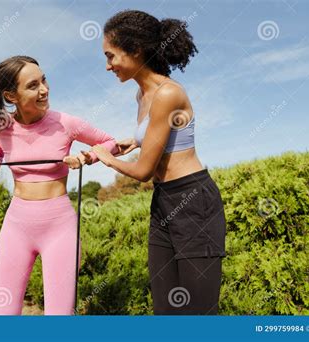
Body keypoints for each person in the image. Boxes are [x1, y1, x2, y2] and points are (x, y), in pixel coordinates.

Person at [91, 10, 227, 315]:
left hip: (194, 201)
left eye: (111, 56)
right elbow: (163, 135)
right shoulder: (142, 95)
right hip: (164, 201)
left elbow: (142, 171)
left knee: (199, 312)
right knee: (166, 309)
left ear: (135, 50)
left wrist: (106, 158)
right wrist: (136, 140)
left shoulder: (168, 93)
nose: (107, 65)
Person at [0, 55, 118, 315]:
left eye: (44, 80)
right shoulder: (0, 126)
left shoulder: (66, 123)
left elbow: (110, 142)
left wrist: (87, 156)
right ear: (11, 96)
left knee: (59, 317)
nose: (44, 89)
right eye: (33, 85)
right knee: (4, 314)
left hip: (59, 227)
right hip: (17, 226)